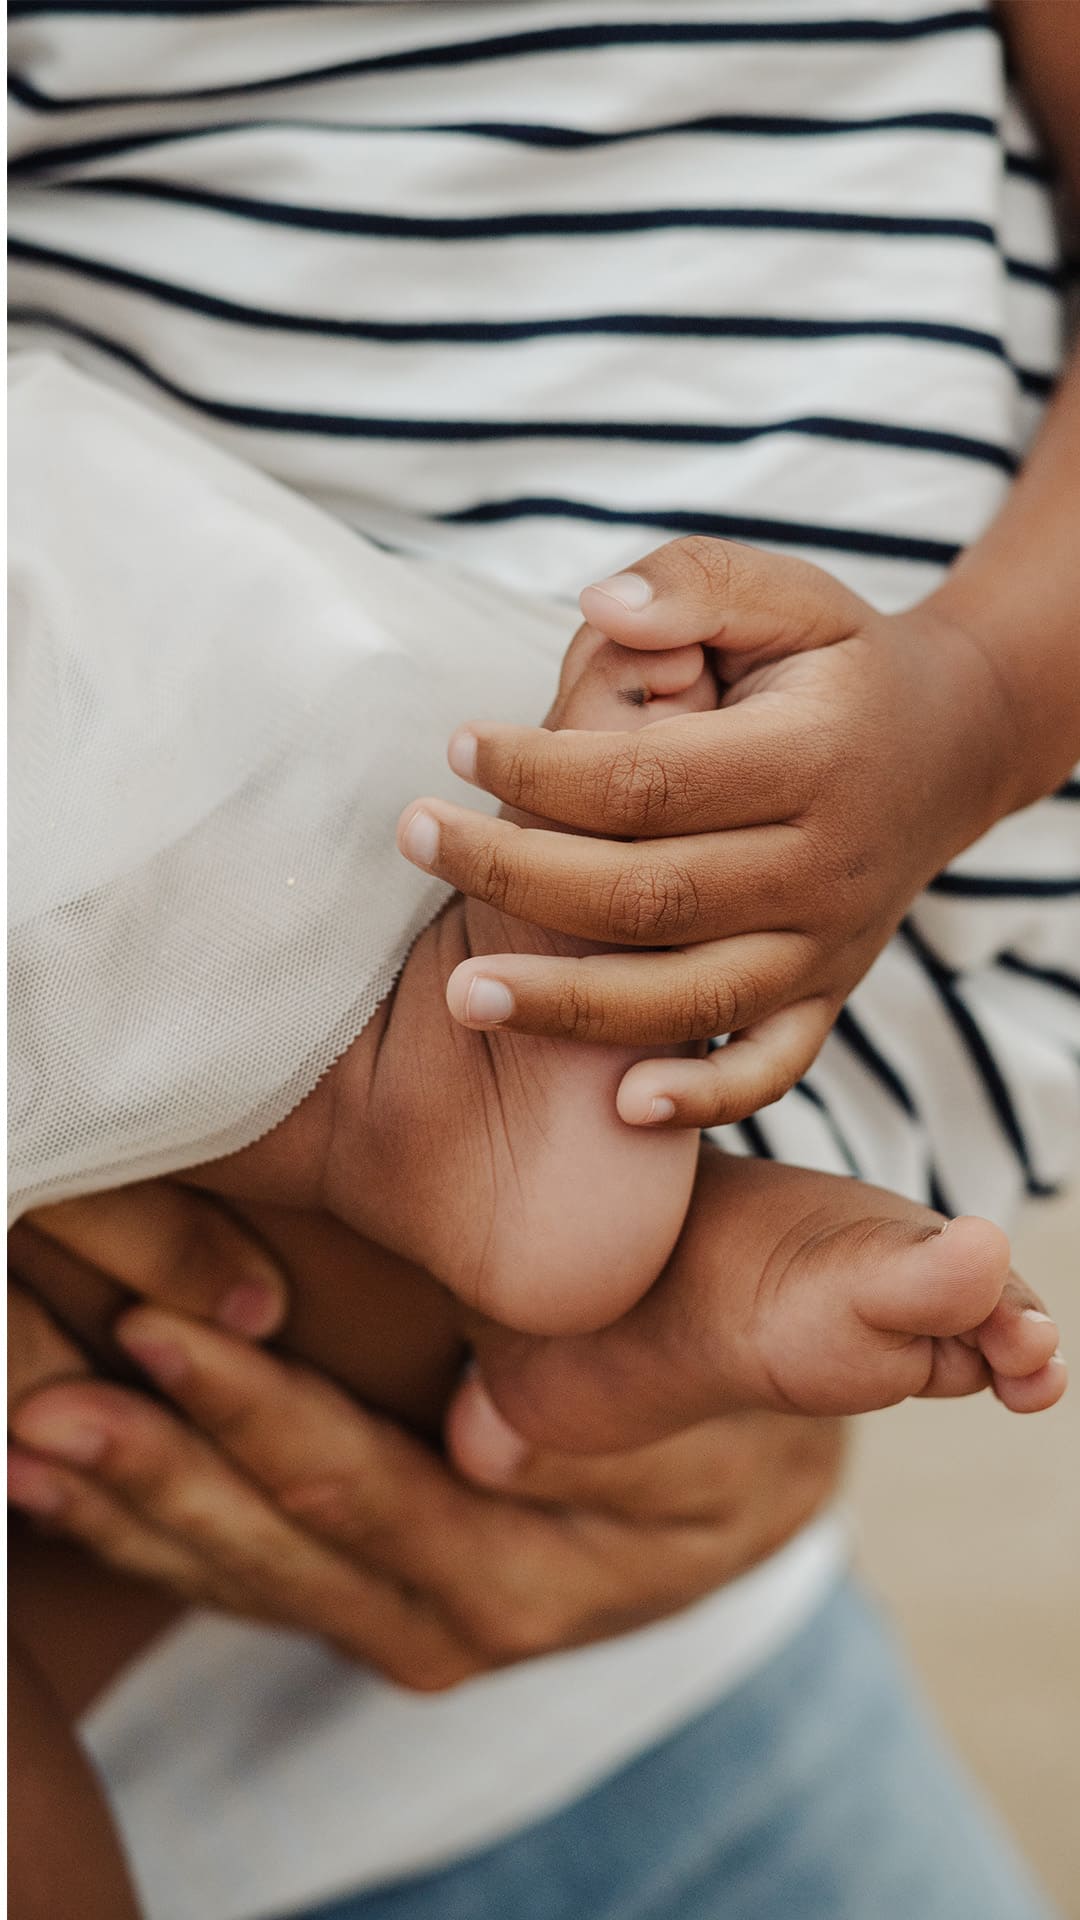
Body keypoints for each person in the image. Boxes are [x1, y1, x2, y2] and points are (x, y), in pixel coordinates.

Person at [8, 2, 1080, 1917]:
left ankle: (465, 1151)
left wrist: (994, 692)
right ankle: (605, 1242)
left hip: (824, 828)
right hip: (456, 947)